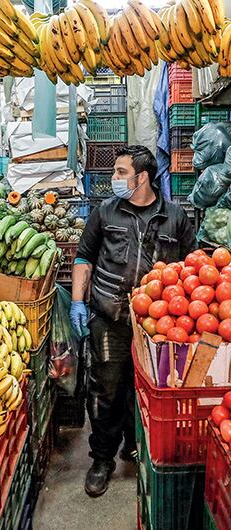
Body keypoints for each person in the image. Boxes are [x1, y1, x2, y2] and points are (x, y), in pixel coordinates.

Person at [70, 145, 196, 497]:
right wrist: (78, 303)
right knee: (106, 388)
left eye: (121, 172)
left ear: (143, 177)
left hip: (156, 327)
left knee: (143, 388)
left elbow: (191, 269)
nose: (115, 178)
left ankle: (134, 444)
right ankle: (101, 458)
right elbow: (84, 256)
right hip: (109, 315)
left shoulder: (174, 217)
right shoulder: (106, 212)